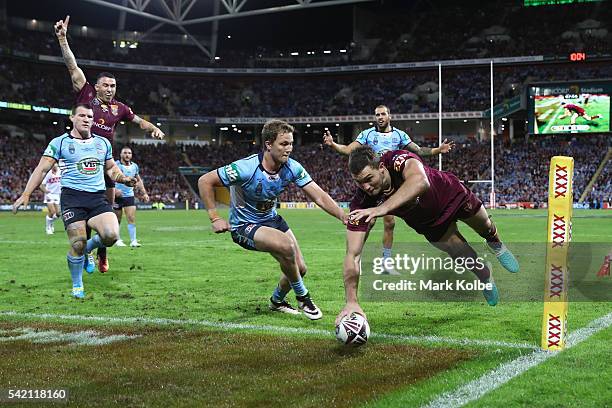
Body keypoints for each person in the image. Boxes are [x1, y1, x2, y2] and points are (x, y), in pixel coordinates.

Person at [336, 146, 519, 323]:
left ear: (381, 168)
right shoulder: (361, 203)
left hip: (450, 193)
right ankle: (486, 276)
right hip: (428, 222)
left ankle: (496, 244)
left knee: (485, 225)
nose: (366, 187)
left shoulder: (397, 160)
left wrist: (381, 208)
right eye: (359, 182)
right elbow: (353, 254)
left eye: (369, 179)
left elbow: (420, 181)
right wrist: (351, 301)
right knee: (463, 256)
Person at [199, 120, 347, 320]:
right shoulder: (245, 168)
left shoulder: (292, 167)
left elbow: (318, 196)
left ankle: (276, 301)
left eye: (291, 144)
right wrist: (214, 217)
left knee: (300, 269)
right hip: (244, 225)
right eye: (284, 144)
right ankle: (303, 297)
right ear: (269, 144)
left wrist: (342, 216)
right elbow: (205, 181)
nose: (289, 149)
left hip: (271, 220)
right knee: (286, 246)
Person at [54, 15, 164, 273]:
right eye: (106, 85)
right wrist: (62, 39)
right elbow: (72, 67)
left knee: (109, 210)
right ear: (97, 86)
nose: (110, 89)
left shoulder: (120, 108)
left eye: (113, 86)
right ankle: (88, 254)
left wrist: (155, 128)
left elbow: (138, 122)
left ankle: (100, 251)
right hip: (83, 162)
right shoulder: (86, 94)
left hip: (106, 163)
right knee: (86, 212)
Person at [12, 104, 136, 298]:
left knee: (111, 236)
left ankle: (89, 250)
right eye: (82, 116)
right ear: (72, 118)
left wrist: (124, 178)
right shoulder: (59, 142)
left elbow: (111, 169)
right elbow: (42, 169)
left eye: (89, 116)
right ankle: (77, 284)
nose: (86, 119)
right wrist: (26, 193)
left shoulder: (103, 143)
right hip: (72, 198)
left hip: (97, 198)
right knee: (77, 244)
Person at [323, 105, 454, 273]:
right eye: (377, 114)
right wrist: (333, 144)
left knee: (390, 222)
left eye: (383, 114)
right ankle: (356, 259)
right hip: (372, 183)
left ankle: (386, 263)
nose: (380, 117)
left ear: (389, 116)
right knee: (366, 221)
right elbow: (349, 150)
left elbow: (419, 150)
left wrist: (437, 150)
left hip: (389, 184)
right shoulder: (367, 134)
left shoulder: (399, 135)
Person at [114, 146, 149, 247]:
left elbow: (139, 180)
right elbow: (109, 177)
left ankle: (133, 241)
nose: (127, 155)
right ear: (121, 155)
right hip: (117, 196)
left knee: (131, 218)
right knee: (117, 219)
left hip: (129, 195)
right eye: (125, 153)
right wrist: (114, 190)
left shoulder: (135, 166)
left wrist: (144, 193)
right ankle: (117, 240)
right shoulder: (116, 165)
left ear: (131, 155)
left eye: (129, 153)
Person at [40, 163, 62, 234]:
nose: (55, 167)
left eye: (56, 165)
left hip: (57, 194)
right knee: (52, 212)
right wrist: (46, 191)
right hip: (49, 194)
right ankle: (48, 227)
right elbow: (41, 185)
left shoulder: (60, 171)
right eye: (53, 166)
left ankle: (50, 222)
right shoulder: (48, 174)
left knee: (58, 213)